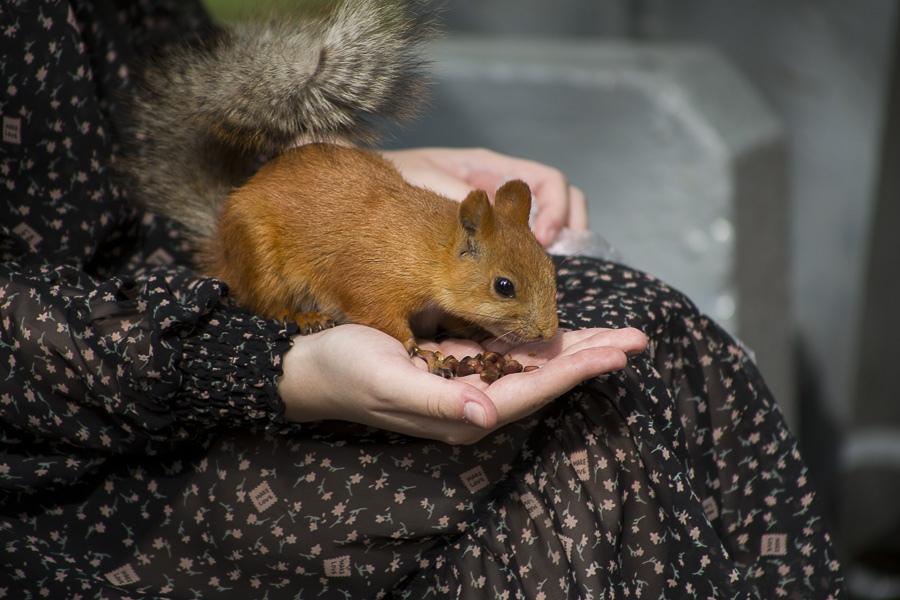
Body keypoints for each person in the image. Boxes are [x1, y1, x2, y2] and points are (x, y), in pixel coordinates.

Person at [0, 1, 843, 598]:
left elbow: (152, 76)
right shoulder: (407, 275)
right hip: (81, 424)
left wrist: (387, 172)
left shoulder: (449, 245)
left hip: (150, 272)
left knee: (652, 335)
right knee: (580, 441)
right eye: (509, 291)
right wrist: (276, 360)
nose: (524, 315)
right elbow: (362, 282)